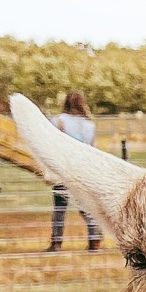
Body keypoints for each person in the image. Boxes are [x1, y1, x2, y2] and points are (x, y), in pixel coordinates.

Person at [48, 92, 102, 251]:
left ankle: (56, 242)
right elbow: (92, 147)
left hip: (65, 167)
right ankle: (94, 239)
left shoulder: (59, 121)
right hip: (83, 169)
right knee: (86, 206)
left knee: (59, 207)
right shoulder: (90, 125)